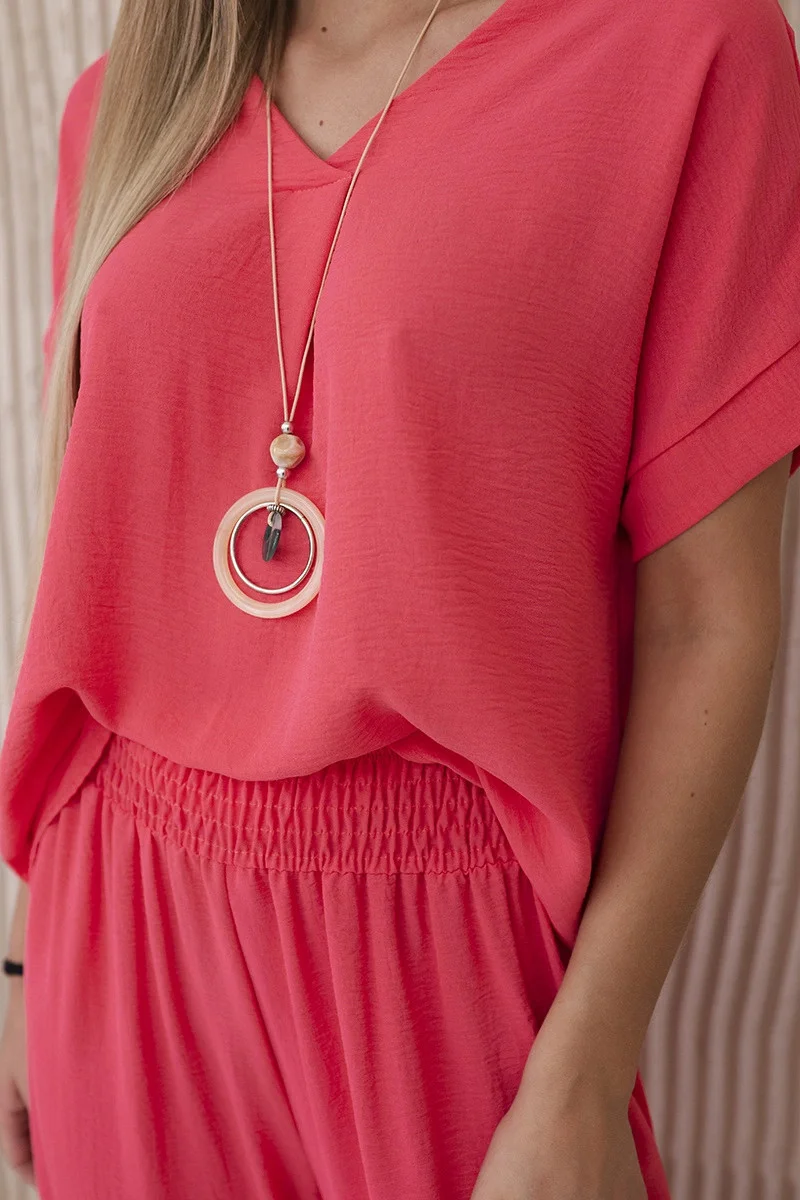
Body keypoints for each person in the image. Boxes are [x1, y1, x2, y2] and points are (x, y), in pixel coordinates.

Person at [2, 0, 800, 1195]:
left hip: (437, 954)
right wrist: (23, 959)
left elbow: (707, 618)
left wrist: (584, 1070)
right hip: (117, 917)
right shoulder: (131, 98)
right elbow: (90, 566)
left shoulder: (682, 53)